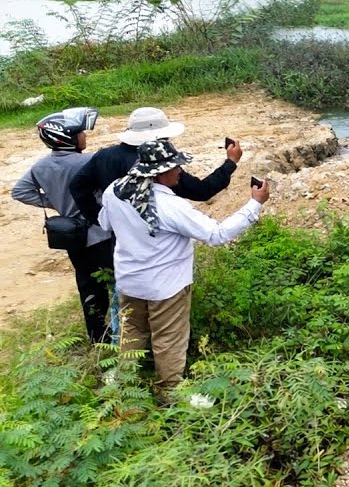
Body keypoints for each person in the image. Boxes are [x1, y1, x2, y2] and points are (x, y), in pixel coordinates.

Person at [99, 140, 269, 393]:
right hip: (166, 287)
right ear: (160, 173)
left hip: (129, 280)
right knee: (168, 339)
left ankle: (125, 386)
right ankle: (169, 392)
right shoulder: (170, 206)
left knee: (132, 331)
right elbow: (217, 234)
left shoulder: (114, 191)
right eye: (175, 166)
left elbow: (104, 224)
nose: (180, 170)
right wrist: (255, 204)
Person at [70, 107, 241, 341]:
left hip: (122, 247)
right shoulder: (160, 167)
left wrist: (101, 219)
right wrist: (230, 163)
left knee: (127, 309)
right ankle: (163, 366)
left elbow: (77, 186)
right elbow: (202, 191)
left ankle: (120, 356)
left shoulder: (104, 157)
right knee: (165, 323)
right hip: (160, 256)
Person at [11, 107, 113, 343]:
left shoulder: (40, 166)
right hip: (100, 233)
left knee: (88, 287)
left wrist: (54, 201)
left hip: (72, 236)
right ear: (67, 138)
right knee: (117, 283)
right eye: (80, 133)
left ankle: (98, 338)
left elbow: (20, 192)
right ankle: (123, 334)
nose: (85, 136)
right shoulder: (90, 161)